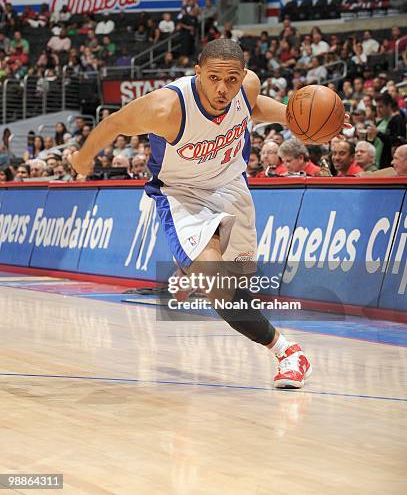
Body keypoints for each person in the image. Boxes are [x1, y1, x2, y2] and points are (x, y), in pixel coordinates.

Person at [70, 40, 348, 389]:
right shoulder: (166, 107)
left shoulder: (246, 89)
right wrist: (83, 158)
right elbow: (114, 123)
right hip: (182, 194)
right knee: (221, 290)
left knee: (239, 288)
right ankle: (288, 353)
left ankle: (191, 270)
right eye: (213, 78)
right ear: (197, 72)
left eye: (232, 80)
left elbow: (252, 107)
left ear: (243, 76)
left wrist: (309, 120)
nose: (223, 88)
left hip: (230, 186)